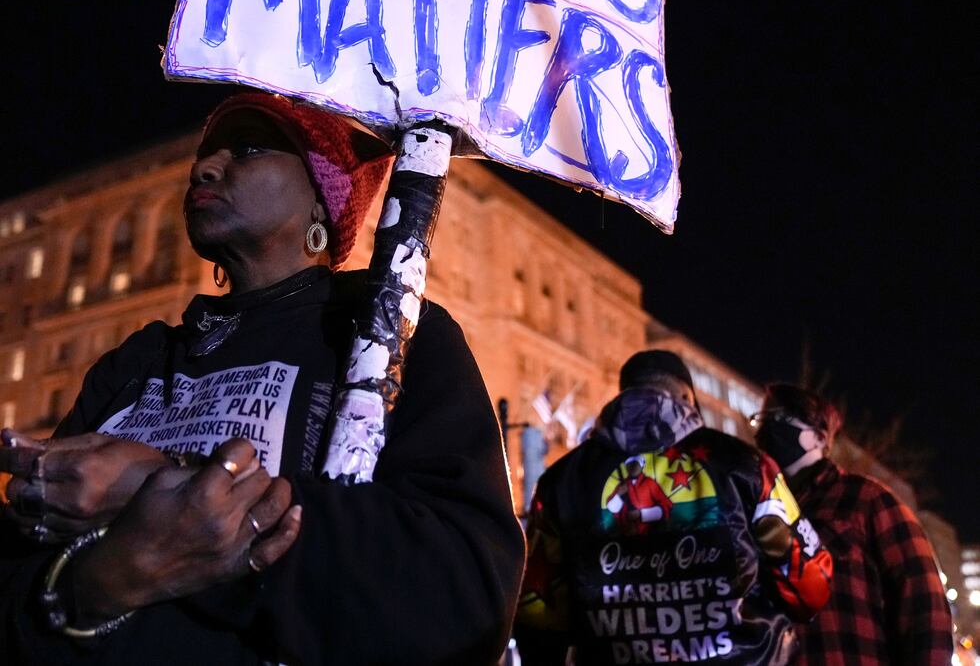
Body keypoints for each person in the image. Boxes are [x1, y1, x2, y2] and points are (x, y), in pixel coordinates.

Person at [0, 90, 525, 665]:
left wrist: (161, 492)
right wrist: (101, 584)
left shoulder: (386, 335)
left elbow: (464, 596)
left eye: (249, 149)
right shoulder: (137, 361)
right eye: (205, 153)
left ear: (324, 202)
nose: (204, 166)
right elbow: (22, 587)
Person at [514, 350, 833, 665]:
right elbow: (812, 585)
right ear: (687, 397)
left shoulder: (563, 479)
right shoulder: (746, 465)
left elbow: (537, 612)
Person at [752, 382, 953, 665]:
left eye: (780, 420)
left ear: (820, 437)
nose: (767, 430)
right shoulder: (755, 510)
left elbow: (923, 602)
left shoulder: (866, 499)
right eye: (761, 420)